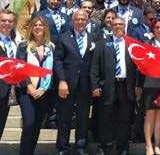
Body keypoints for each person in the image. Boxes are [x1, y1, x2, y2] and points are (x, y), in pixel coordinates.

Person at [90, 17, 143, 155]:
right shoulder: (102, 44)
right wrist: (95, 86)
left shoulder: (132, 44)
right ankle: (104, 146)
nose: (118, 26)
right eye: (115, 24)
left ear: (125, 26)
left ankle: (123, 147)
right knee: (106, 117)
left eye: (121, 24)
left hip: (126, 86)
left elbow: (140, 67)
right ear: (111, 26)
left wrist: (138, 85)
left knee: (124, 119)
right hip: (108, 87)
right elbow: (95, 67)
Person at [54, 10, 96, 155]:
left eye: (83, 19)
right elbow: (58, 61)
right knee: (65, 117)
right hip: (67, 84)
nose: (80, 22)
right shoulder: (64, 38)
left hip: (86, 85)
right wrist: (62, 80)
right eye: (77, 19)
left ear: (87, 21)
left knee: (83, 118)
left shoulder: (93, 38)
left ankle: (80, 146)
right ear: (72, 21)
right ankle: (62, 147)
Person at [15, 16, 54, 155]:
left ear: (45, 28)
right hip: (26, 92)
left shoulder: (51, 47)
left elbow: (52, 71)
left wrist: (43, 88)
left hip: (44, 92)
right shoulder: (23, 46)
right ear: (31, 28)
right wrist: (30, 86)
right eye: (35, 25)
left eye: (41, 25)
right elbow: (20, 68)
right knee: (29, 123)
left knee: (37, 125)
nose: (38, 27)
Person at [143, 19, 160, 155]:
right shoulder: (147, 44)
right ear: (153, 29)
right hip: (150, 85)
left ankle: (157, 145)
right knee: (150, 114)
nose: (159, 30)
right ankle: (148, 146)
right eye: (157, 27)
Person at [0, 9, 17, 140]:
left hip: (7, 92)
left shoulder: (14, 43)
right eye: (3, 20)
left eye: (10, 21)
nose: (7, 23)